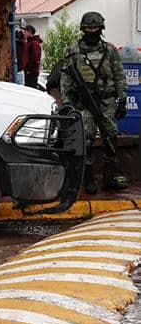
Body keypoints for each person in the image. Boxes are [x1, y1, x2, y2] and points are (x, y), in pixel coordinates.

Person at [59, 11, 128, 194]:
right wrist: (67, 103)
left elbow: (119, 75)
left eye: (95, 27)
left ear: (101, 29)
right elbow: (65, 80)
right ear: (83, 29)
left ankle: (110, 177)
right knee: (86, 140)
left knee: (111, 137)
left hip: (106, 101)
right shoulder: (73, 50)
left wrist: (122, 100)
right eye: (89, 28)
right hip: (84, 103)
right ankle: (88, 177)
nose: (92, 31)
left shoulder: (109, 50)